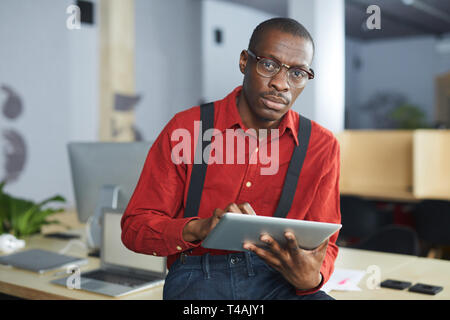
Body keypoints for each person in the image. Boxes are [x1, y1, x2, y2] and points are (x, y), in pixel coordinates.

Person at [121, 17, 341, 300]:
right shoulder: (187, 129)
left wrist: (314, 277)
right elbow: (135, 228)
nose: (280, 84)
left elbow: (327, 244)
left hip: (280, 280)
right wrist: (199, 228)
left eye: (297, 73)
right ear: (244, 62)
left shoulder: (321, 145)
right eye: (269, 65)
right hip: (198, 276)